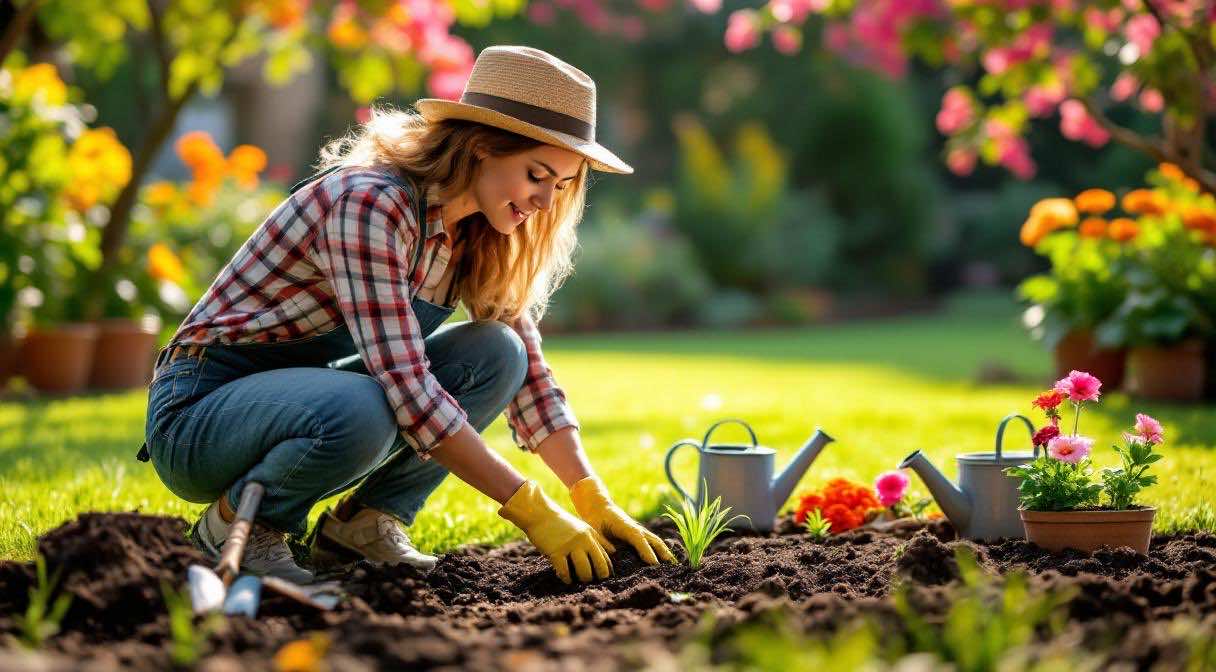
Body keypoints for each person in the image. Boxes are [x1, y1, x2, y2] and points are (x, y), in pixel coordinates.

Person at [141, 45, 675, 585]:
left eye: (559, 187)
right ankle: (238, 526)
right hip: (199, 414)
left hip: (295, 400)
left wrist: (590, 495)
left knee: (498, 351)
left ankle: (365, 526)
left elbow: (529, 378)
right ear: (483, 147)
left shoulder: (476, 235)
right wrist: (531, 510)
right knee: (365, 407)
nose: (544, 202)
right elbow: (407, 388)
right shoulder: (371, 204)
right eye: (537, 175)